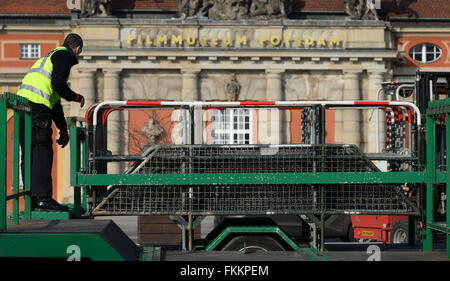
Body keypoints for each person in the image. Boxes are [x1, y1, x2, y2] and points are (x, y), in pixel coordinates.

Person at [18, 33, 85, 212]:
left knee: (30, 153)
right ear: (77, 48)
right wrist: (76, 97)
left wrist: (63, 130)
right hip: (37, 109)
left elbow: (55, 104)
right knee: (42, 151)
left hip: (23, 108)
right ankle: (44, 199)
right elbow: (58, 85)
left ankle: (32, 199)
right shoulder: (64, 55)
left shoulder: (47, 58)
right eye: (78, 54)